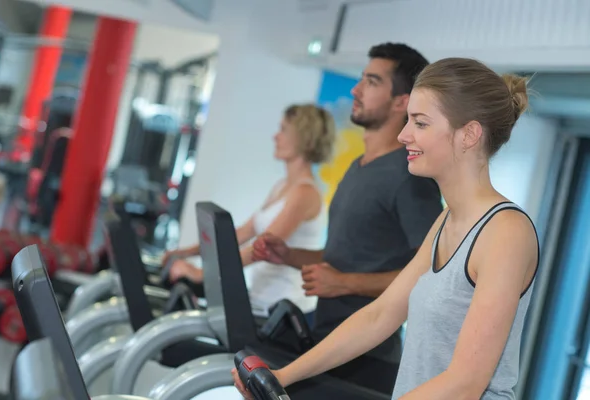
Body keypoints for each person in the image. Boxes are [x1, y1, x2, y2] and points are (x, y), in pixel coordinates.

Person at [233, 57, 540, 399]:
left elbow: (466, 383)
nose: (403, 134)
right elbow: (380, 315)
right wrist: (282, 376)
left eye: (420, 123)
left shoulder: (506, 233)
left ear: (468, 134)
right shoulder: (446, 221)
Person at [250, 43, 444, 393]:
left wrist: (346, 283)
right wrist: (289, 256)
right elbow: (344, 258)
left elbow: (431, 277)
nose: (356, 89)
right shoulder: (359, 167)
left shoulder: (411, 179)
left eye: (371, 81)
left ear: (403, 101)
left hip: (369, 358)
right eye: (361, 79)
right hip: (328, 339)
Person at [163, 104, 336, 317]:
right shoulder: (282, 186)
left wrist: (204, 274)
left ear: (304, 139)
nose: (275, 136)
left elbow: (262, 247)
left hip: (283, 308)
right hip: (259, 297)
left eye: (283, 130)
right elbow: (240, 234)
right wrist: (186, 252)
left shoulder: (305, 193)